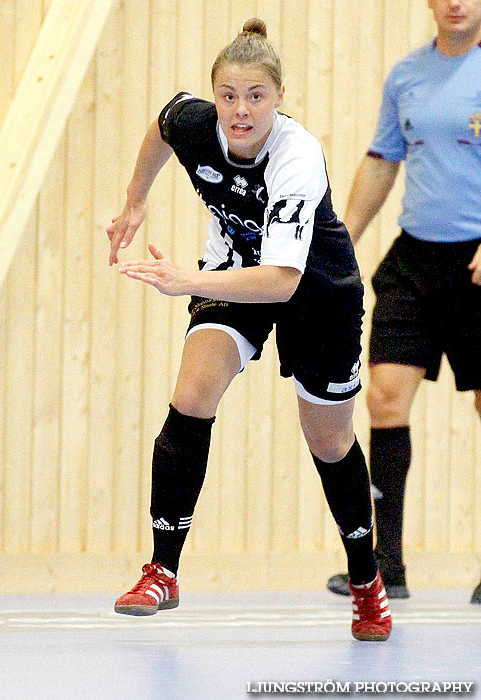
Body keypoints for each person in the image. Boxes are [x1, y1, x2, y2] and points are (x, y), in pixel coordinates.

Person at [105, 18, 391, 642]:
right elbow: (160, 127)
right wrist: (134, 201)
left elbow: (284, 280)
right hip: (234, 273)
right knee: (192, 395)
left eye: (256, 96)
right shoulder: (194, 123)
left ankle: (367, 581)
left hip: (316, 290)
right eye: (229, 96)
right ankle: (162, 569)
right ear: (215, 95)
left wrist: (186, 280)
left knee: (329, 443)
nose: (240, 111)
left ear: (279, 98)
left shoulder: (296, 156)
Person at [326, 0, 481, 604]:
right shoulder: (407, 75)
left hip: (476, 266)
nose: (456, 3)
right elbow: (381, 159)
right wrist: (341, 242)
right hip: (415, 260)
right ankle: (384, 567)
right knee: (384, 396)